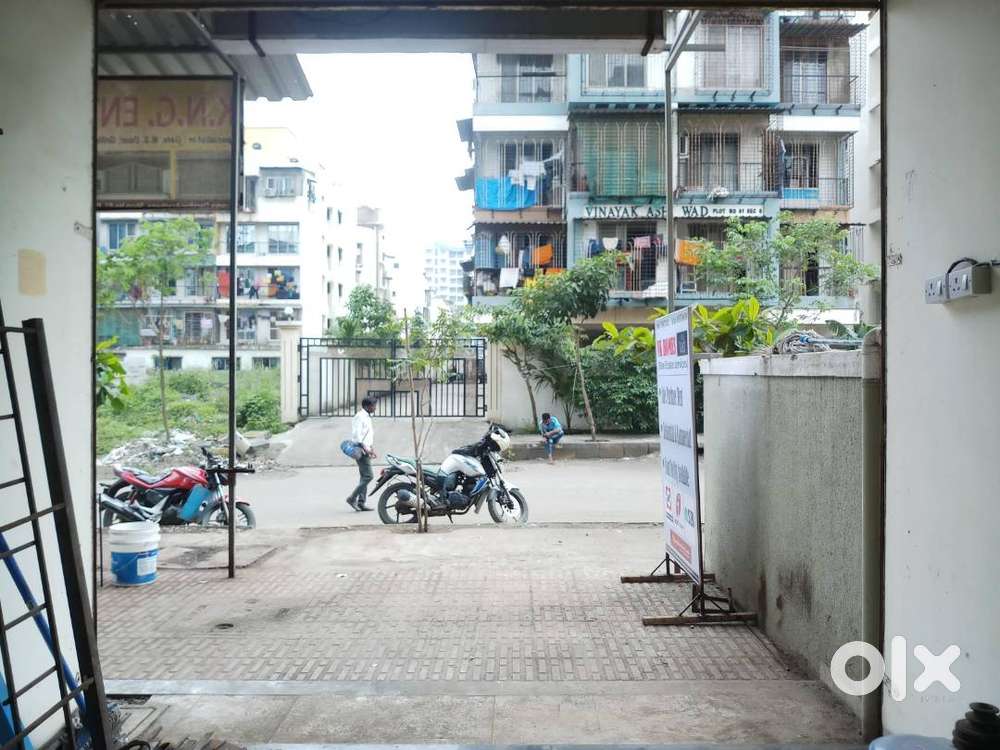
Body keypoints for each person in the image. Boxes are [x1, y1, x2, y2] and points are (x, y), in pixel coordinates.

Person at [346, 397, 377, 511]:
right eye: (373, 405)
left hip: (366, 449)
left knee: (364, 476)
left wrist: (371, 448)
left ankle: (361, 502)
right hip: (361, 450)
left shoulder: (367, 417)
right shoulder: (359, 417)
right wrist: (365, 448)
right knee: (369, 476)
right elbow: (357, 435)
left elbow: (368, 434)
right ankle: (352, 498)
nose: (375, 408)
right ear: (367, 406)